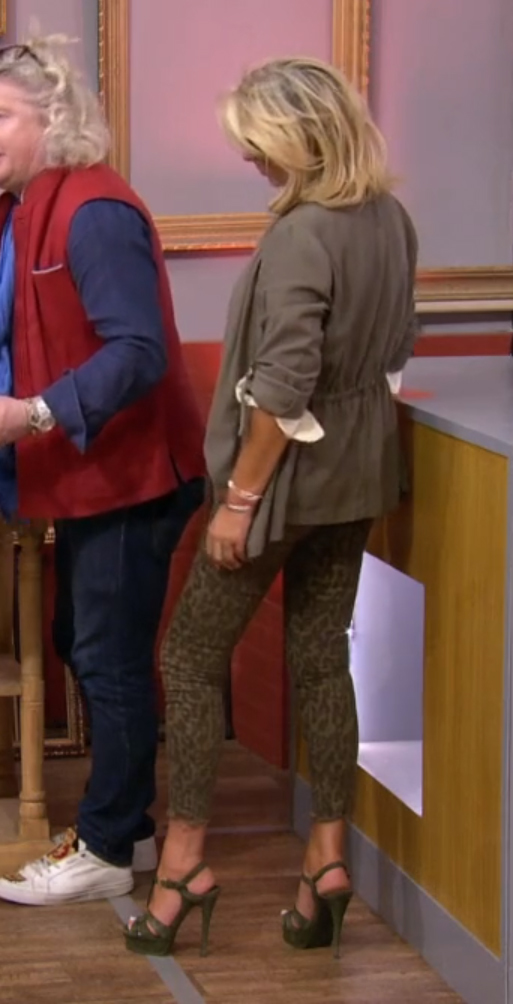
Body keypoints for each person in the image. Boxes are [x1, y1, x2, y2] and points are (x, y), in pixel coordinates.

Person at [124, 56, 418, 959]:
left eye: (258, 144)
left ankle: (182, 865)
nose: (250, 161)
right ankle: (326, 859)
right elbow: (392, 350)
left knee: (187, 657)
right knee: (323, 659)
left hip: (281, 485)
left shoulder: (302, 236)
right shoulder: (389, 219)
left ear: (302, 135)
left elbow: (283, 385)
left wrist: (238, 502)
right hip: (357, 475)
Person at [0, 36, 205, 906]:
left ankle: (109, 848)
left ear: (55, 121)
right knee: (84, 644)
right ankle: (133, 827)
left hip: (134, 475)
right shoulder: (26, 205)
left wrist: (33, 414)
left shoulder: (92, 211)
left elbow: (138, 351)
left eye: (1, 115)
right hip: (90, 474)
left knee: (107, 657)